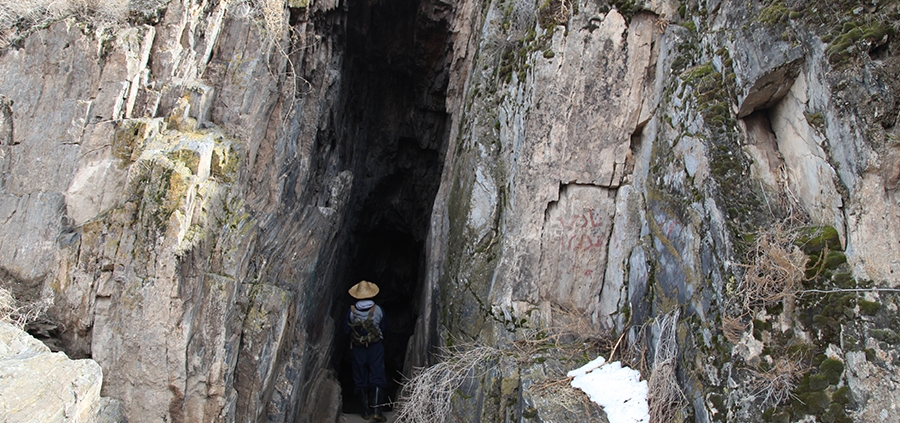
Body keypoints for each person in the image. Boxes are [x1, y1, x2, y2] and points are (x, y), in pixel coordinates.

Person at [343, 280, 387, 421]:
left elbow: (345, 330)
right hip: (375, 347)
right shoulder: (378, 310)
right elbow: (384, 327)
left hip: (358, 348)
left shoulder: (351, 311)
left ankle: (365, 411)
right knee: (377, 375)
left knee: (360, 377)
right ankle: (377, 410)